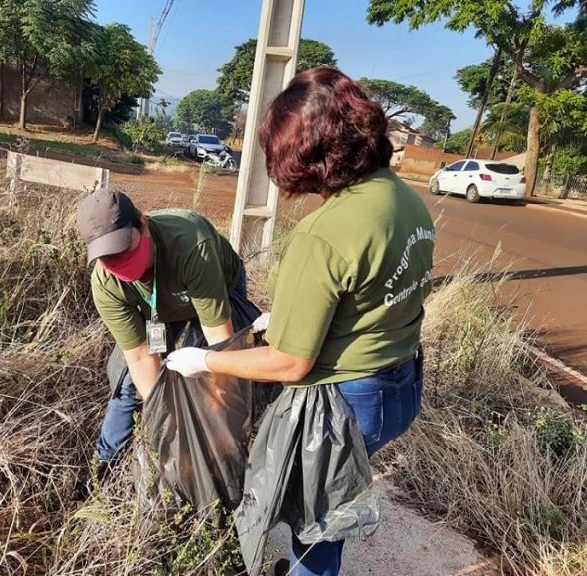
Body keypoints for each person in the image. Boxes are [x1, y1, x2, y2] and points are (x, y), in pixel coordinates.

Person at [167, 67, 435, 576]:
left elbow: (290, 362)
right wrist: (294, 314)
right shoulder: (404, 199)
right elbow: (376, 292)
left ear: (306, 152)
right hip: (399, 386)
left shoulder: (324, 233)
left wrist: (204, 360)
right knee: (330, 500)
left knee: (317, 516)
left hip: (346, 403)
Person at [76, 188, 259, 472]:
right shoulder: (105, 283)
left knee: (214, 374)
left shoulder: (191, 245)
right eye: (108, 256)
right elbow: (138, 357)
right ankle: (103, 466)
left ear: (144, 224)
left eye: (124, 247)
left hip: (214, 290)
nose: (119, 261)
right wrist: (170, 426)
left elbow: (220, 342)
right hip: (158, 312)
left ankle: (231, 454)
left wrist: (212, 429)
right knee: (128, 387)